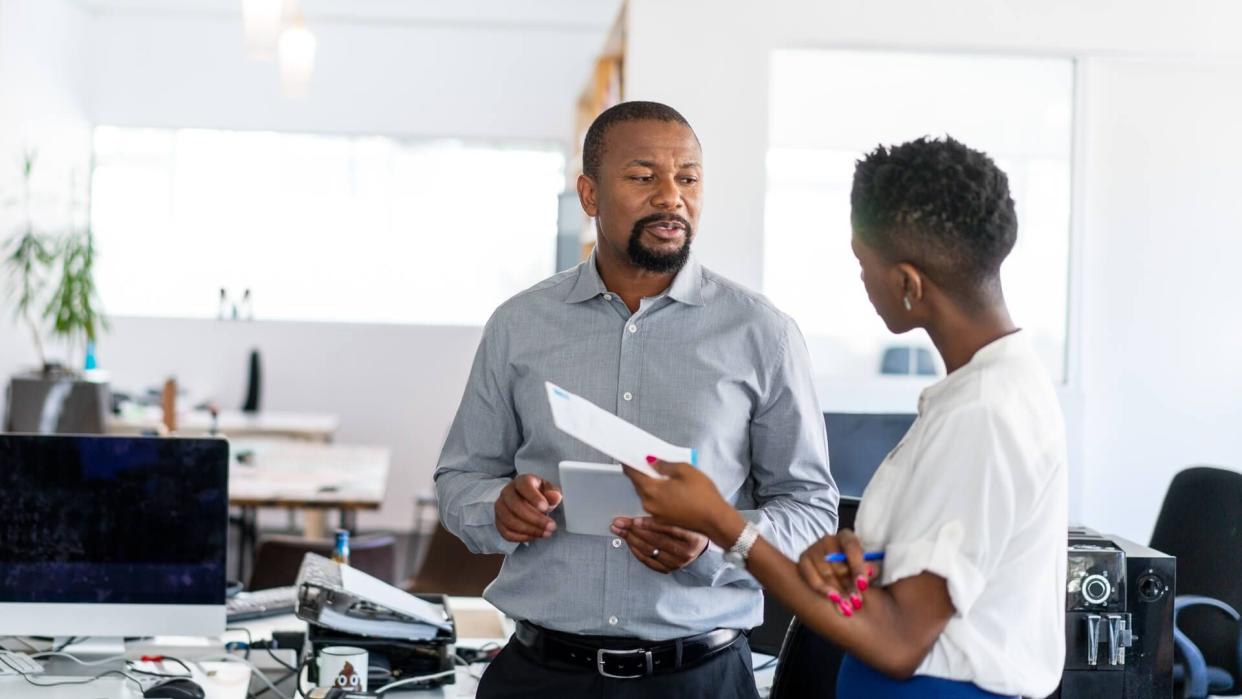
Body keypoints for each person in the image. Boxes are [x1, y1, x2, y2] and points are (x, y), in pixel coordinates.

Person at [626, 136, 1068, 698]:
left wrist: (722, 522)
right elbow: (958, 564)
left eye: (865, 265)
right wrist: (873, 561)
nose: (863, 281)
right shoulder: (993, 386)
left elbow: (899, 641)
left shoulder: (981, 414)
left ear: (908, 283)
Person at [434, 100, 839, 698]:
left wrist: (717, 539)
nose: (671, 196)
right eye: (644, 177)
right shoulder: (519, 325)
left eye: (689, 178)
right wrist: (497, 508)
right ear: (590, 195)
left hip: (699, 680)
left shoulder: (763, 335)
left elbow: (811, 511)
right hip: (539, 677)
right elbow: (459, 478)